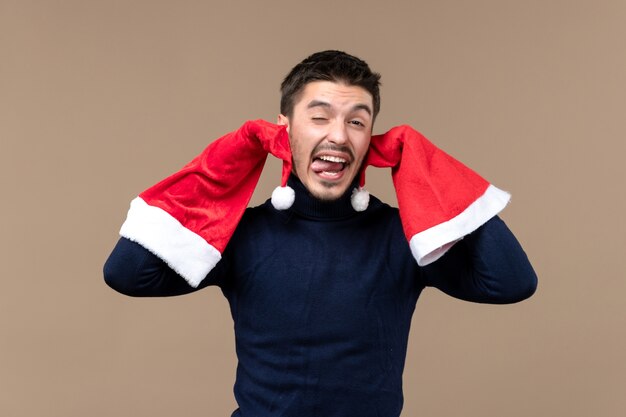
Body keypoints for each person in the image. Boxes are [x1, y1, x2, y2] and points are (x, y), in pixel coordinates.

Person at [104, 50, 537, 417]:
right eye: (319, 117)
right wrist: (234, 152)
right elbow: (127, 273)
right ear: (284, 128)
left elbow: (511, 282)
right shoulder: (242, 235)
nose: (338, 136)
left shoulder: (402, 236)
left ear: (372, 138)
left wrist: (426, 162)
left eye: (357, 122)